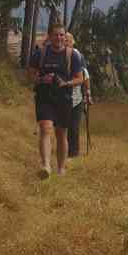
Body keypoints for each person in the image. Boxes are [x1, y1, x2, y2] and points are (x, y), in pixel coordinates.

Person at [28, 23, 83, 179]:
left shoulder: (73, 55)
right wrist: (40, 79)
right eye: (56, 35)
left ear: (65, 37)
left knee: (61, 134)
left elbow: (80, 78)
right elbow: (30, 73)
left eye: (61, 35)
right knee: (45, 129)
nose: (59, 38)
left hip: (64, 98)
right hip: (44, 97)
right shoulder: (40, 54)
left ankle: (61, 169)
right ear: (49, 36)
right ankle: (45, 165)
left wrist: (65, 83)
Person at [65, 32, 92, 158]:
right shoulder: (59, 54)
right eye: (65, 40)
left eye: (68, 40)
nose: (66, 42)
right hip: (62, 98)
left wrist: (88, 94)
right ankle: (65, 150)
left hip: (77, 98)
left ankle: (73, 153)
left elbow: (85, 76)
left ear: (73, 42)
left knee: (73, 127)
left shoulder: (78, 56)